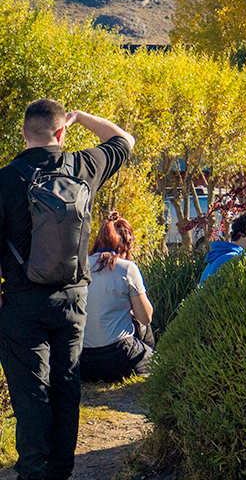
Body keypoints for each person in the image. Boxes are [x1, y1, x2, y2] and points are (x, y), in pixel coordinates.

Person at [0, 99, 132, 480]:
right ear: (62, 133)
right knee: (66, 386)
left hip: (21, 302)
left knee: (30, 392)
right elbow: (124, 139)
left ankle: (32, 471)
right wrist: (81, 118)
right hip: (73, 299)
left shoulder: (6, 179)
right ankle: (60, 472)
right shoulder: (83, 166)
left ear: (23, 134)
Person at [80, 212, 154, 383]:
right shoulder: (127, 268)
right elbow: (146, 317)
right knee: (147, 333)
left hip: (84, 360)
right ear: (126, 243)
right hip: (120, 356)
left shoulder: (82, 264)